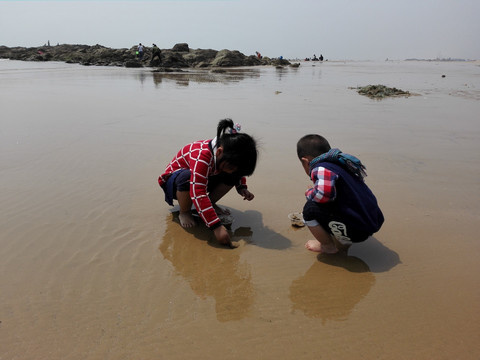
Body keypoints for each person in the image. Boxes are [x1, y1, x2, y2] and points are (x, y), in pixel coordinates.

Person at [158, 119, 258, 247]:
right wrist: (216, 227)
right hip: (175, 183)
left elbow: (237, 173)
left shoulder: (225, 156)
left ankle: (209, 204)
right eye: (232, 167)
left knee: (231, 175)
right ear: (219, 152)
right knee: (187, 177)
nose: (233, 171)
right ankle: (185, 211)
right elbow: (197, 191)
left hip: (201, 179)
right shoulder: (202, 156)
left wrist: (241, 187)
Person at [296, 134, 384, 254]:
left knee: (310, 209)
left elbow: (323, 196)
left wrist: (309, 192)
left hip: (358, 231)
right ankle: (343, 239)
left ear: (305, 161)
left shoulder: (320, 168)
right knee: (328, 204)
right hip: (372, 220)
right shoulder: (339, 163)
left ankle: (327, 246)